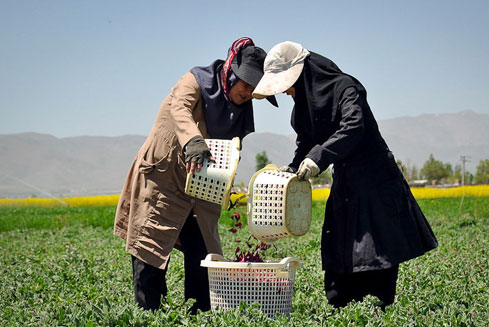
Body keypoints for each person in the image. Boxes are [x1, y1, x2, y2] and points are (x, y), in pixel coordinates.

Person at [252, 41, 438, 311]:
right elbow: (306, 141)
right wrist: (293, 168)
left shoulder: (344, 89)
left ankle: (375, 311)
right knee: (340, 244)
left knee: (375, 249)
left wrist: (319, 158)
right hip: (347, 181)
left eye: (289, 86)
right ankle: (344, 310)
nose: (289, 93)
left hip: (375, 179)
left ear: (304, 75)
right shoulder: (305, 107)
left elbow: (354, 126)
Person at [114, 37, 278, 313]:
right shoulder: (195, 81)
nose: (249, 92)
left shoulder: (238, 110)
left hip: (201, 185)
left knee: (204, 252)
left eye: (254, 87)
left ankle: (199, 319)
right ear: (231, 73)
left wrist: (231, 190)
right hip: (163, 179)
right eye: (245, 83)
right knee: (150, 248)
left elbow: (229, 151)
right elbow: (179, 111)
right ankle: (150, 319)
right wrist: (193, 141)